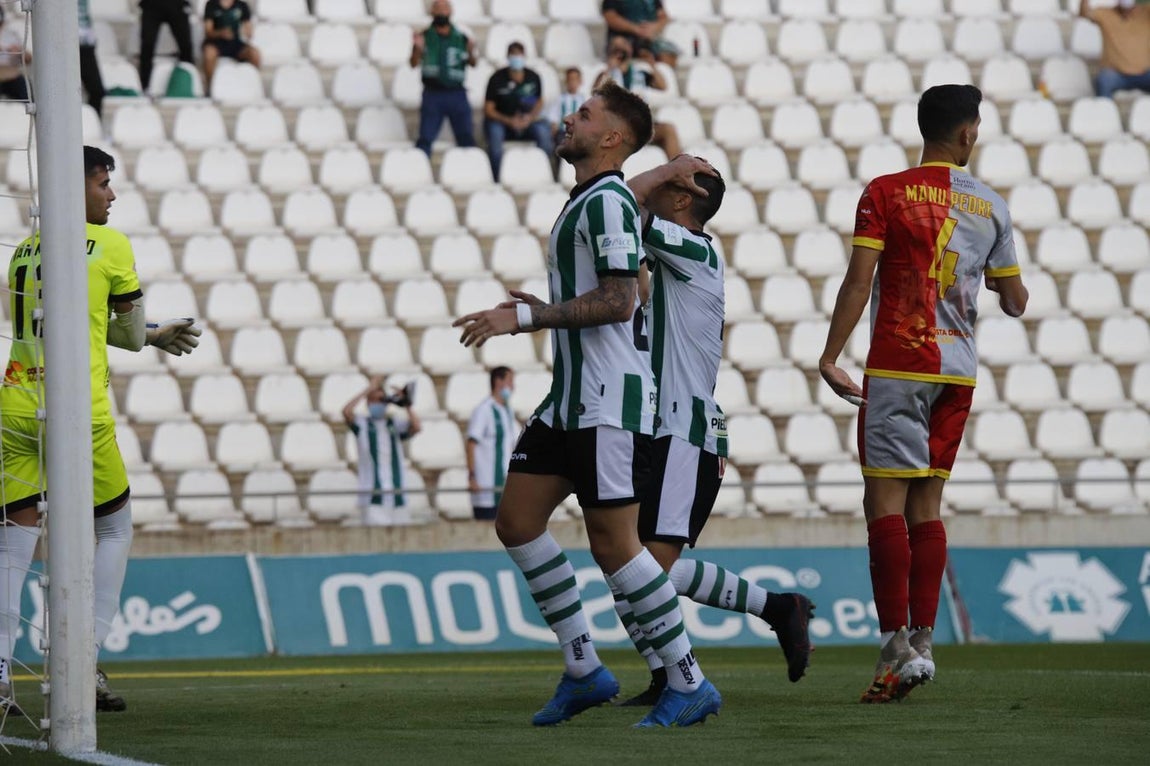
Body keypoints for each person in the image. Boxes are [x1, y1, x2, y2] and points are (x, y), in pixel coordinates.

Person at [453, 82, 721, 729]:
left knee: (616, 546)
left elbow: (621, 300)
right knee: (517, 522)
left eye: (584, 113)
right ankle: (583, 668)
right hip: (569, 399)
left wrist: (526, 318)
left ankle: (689, 681)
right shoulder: (592, 198)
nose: (568, 118)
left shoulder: (606, 202)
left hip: (606, 400)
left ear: (611, 138)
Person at [818, 84, 1029, 704]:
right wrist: (995, 282)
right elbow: (1016, 301)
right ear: (966, 133)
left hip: (899, 361)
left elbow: (859, 281)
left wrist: (831, 355)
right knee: (927, 506)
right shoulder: (991, 205)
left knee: (883, 503)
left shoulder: (885, 192)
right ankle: (925, 644)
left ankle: (894, 651)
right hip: (956, 372)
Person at [0, 146, 202, 717]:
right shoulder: (109, 244)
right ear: (75, 188)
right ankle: (81, 661)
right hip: (76, 410)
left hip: (15, 404)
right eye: (102, 183)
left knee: (13, 540)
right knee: (113, 528)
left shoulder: (24, 249)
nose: (110, 195)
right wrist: (153, 334)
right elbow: (129, 334)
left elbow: (66, 322)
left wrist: (148, 332)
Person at [612, 154, 815, 706]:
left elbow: (620, 207)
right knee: (626, 568)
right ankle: (772, 612)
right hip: (659, 430)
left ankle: (686, 677)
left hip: (685, 432)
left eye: (669, 185)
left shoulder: (695, 250)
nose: (657, 188)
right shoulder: (675, 265)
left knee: (642, 571)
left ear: (682, 200)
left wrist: (657, 170)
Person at [342, 378, 422, 527]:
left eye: (382, 400)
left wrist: (406, 404)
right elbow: (346, 412)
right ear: (368, 403)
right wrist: (368, 389)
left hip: (397, 494)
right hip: (373, 497)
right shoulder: (362, 424)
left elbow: (416, 427)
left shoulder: (394, 423)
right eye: (374, 400)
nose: (378, 404)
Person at [594, 36, 681, 159]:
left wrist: (652, 65)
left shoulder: (639, 71)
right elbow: (595, 91)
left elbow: (662, 86)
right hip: (617, 128)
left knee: (668, 130)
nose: (620, 51)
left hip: (639, 126)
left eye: (623, 45)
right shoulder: (606, 72)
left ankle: (678, 168)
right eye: (616, 47)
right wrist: (609, 67)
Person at [410, 0, 478, 156]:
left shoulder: (461, 37)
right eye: (438, 8)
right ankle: (420, 166)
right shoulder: (424, 36)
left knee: (466, 138)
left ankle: (470, 168)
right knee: (425, 138)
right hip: (433, 93)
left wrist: (471, 51)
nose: (441, 12)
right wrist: (417, 48)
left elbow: (473, 63)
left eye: (445, 8)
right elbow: (413, 63)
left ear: (450, 11)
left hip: (457, 93)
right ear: (432, 12)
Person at [483, 41, 554, 181]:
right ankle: (497, 178)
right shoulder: (496, 78)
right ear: (508, 57)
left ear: (524, 56)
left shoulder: (533, 77)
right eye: (513, 55)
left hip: (527, 122)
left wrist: (530, 118)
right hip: (503, 123)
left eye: (519, 55)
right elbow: (488, 109)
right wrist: (509, 121)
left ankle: (544, 174)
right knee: (495, 134)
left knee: (544, 131)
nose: (516, 58)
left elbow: (539, 101)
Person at [465, 366, 518, 521]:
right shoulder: (484, 410)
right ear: (498, 381)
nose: (513, 386)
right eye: (510, 381)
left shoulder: (507, 411)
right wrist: (472, 477)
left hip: (504, 488)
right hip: (485, 488)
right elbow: (471, 443)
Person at [1079, 0, 1150, 98]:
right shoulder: (1105, 14)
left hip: (1144, 73)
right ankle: (1105, 108)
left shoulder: (1146, 13)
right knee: (1104, 80)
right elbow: (1084, 13)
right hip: (1116, 74)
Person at [201, 0, 261, 93]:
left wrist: (247, 32)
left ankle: (252, 86)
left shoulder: (242, 5)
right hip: (215, 42)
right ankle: (210, 87)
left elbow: (248, 29)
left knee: (254, 54)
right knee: (209, 53)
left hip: (235, 43)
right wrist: (221, 33)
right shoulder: (211, 4)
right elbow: (208, 31)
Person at [138, 0, 196, 93]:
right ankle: (144, 86)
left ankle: (188, 83)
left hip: (176, 3)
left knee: (186, 46)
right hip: (152, 4)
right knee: (147, 45)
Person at [601, 0, 679, 67]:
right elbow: (610, 16)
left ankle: (659, 77)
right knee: (619, 46)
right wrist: (635, 29)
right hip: (624, 37)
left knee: (668, 54)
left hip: (648, 39)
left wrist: (654, 27)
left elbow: (663, 17)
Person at [79, 0, 106, 117]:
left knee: (97, 91)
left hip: (86, 44)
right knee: (62, 92)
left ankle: (92, 122)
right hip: (64, 44)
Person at [548, 67, 588, 143]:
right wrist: (554, 125)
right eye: (570, 79)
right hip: (563, 132)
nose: (572, 82)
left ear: (580, 81)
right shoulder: (560, 98)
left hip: (579, 132)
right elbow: (553, 115)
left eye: (575, 79)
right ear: (566, 81)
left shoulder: (584, 99)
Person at [0, 5, 31, 102]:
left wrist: (19, 52)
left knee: (26, 91)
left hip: (12, 76)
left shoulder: (11, 35)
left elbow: (28, 59)